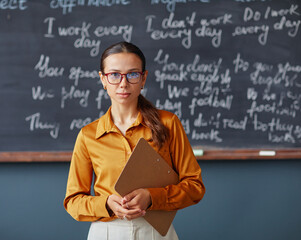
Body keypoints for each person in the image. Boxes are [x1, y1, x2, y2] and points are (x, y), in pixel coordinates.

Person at [64, 41, 205, 240]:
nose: (123, 83)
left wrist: (151, 198)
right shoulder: (88, 135)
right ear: (103, 80)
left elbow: (195, 187)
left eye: (132, 74)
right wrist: (106, 204)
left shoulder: (168, 123)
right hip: (106, 232)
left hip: (155, 231)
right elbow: (73, 201)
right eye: (114, 75)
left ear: (143, 78)